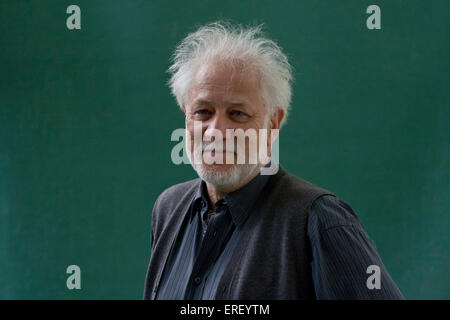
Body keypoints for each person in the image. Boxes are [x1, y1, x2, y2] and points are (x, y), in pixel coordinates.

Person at [143, 21, 404, 300]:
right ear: (186, 116)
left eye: (237, 114)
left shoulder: (319, 220)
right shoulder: (168, 209)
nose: (216, 131)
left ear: (272, 124)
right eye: (203, 112)